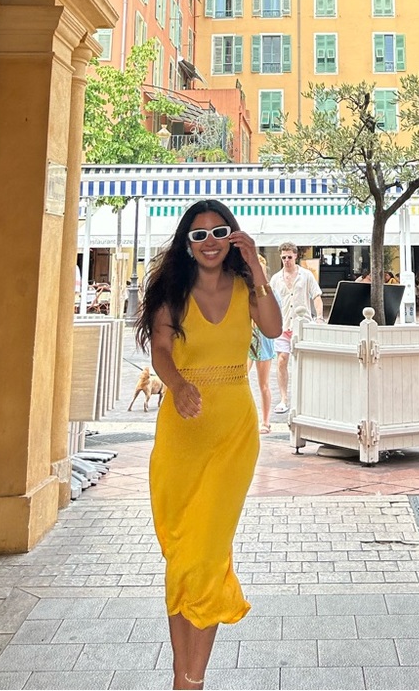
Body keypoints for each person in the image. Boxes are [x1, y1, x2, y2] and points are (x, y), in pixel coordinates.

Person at [135, 199, 281, 690]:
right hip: (181, 434)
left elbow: (273, 327)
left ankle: (191, 680)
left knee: (206, 555)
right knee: (183, 555)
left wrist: (257, 266)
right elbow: (161, 350)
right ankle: (183, 675)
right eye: (198, 235)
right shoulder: (171, 293)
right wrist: (177, 385)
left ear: (233, 237)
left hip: (232, 436)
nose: (210, 242)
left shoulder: (246, 288)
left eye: (220, 232)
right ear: (187, 244)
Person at [269, 241, 323, 414]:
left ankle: (307, 398)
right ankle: (284, 399)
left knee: (305, 363)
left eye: (289, 257)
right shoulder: (276, 278)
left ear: (295, 256)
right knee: (282, 360)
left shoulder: (306, 275)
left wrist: (319, 317)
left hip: (302, 325)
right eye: (283, 257)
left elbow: (316, 296)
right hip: (283, 324)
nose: (286, 260)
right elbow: (270, 301)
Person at [249, 256, 278, 434]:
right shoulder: (244, 290)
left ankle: (266, 421)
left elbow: (275, 318)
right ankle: (246, 418)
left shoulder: (269, 291)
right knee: (241, 379)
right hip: (248, 338)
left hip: (263, 339)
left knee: (263, 383)